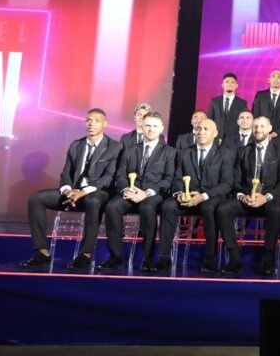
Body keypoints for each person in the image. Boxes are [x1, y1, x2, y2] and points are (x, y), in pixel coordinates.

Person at [21, 108, 123, 270]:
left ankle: (86, 254)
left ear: (105, 124)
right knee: (36, 198)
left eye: (97, 120)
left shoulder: (115, 147)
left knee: (93, 200)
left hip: (97, 192)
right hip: (73, 192)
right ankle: (42, 252)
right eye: (88, 120)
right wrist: (68, 190)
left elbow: (108, 178)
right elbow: (66, 173)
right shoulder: (76, 145)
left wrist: (83, 192)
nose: (91, 124)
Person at [100, 112, 177, 271]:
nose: (150, 129)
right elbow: (120, 174)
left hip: (153, 194)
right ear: (141, 126)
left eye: (155, 126)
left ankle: (148, 258)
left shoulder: (170, 152)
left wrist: (147, 193)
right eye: (147, 125)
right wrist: (125, 189)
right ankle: (116, 256)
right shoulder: (129, 150)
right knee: (111, 207)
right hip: (131, 191)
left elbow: (168, 180)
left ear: (161, 128)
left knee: (147, 207)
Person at [155, 118, 234, 273]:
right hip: (187, 197)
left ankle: (210, 258)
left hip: (210, 198)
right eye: (198, 129)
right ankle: (165, 256)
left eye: (206, 129)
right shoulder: (184, 153)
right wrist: (179, 194)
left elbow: (226, 184)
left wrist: (203, 195)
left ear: (215, 133)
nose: (201, 132)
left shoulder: (225, 153)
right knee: (167, 206)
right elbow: (177, 179)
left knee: (209, 208)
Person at [217, 116, 280, 275]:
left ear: (269, 128)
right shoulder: (243, 151)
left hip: (267, 199)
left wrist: (266, 197)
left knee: (277, 211)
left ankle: (267, 259)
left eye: (262, 126)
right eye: (255, 126)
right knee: (223, 209)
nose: (258, 130)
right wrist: (243, 196)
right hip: (246, 199)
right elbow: (235, 181)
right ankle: (235, 258)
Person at [207, 72, 248, 140]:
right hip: (216, 139)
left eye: (232, 82)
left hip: (234, 139)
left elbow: (244, 122)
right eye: (227, 82)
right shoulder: (214, 102)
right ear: (223, 85)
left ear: (236, 85)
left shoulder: (242, 103)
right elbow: (209, 120)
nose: (229, 84)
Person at [252, 70, 280, 137]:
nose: (276, 79)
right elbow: (255, 114)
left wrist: (276, 133)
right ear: (269, 80)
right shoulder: (260, 95)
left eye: (279, 77)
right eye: (273, 77)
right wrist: (261, 130)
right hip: (262, 134)